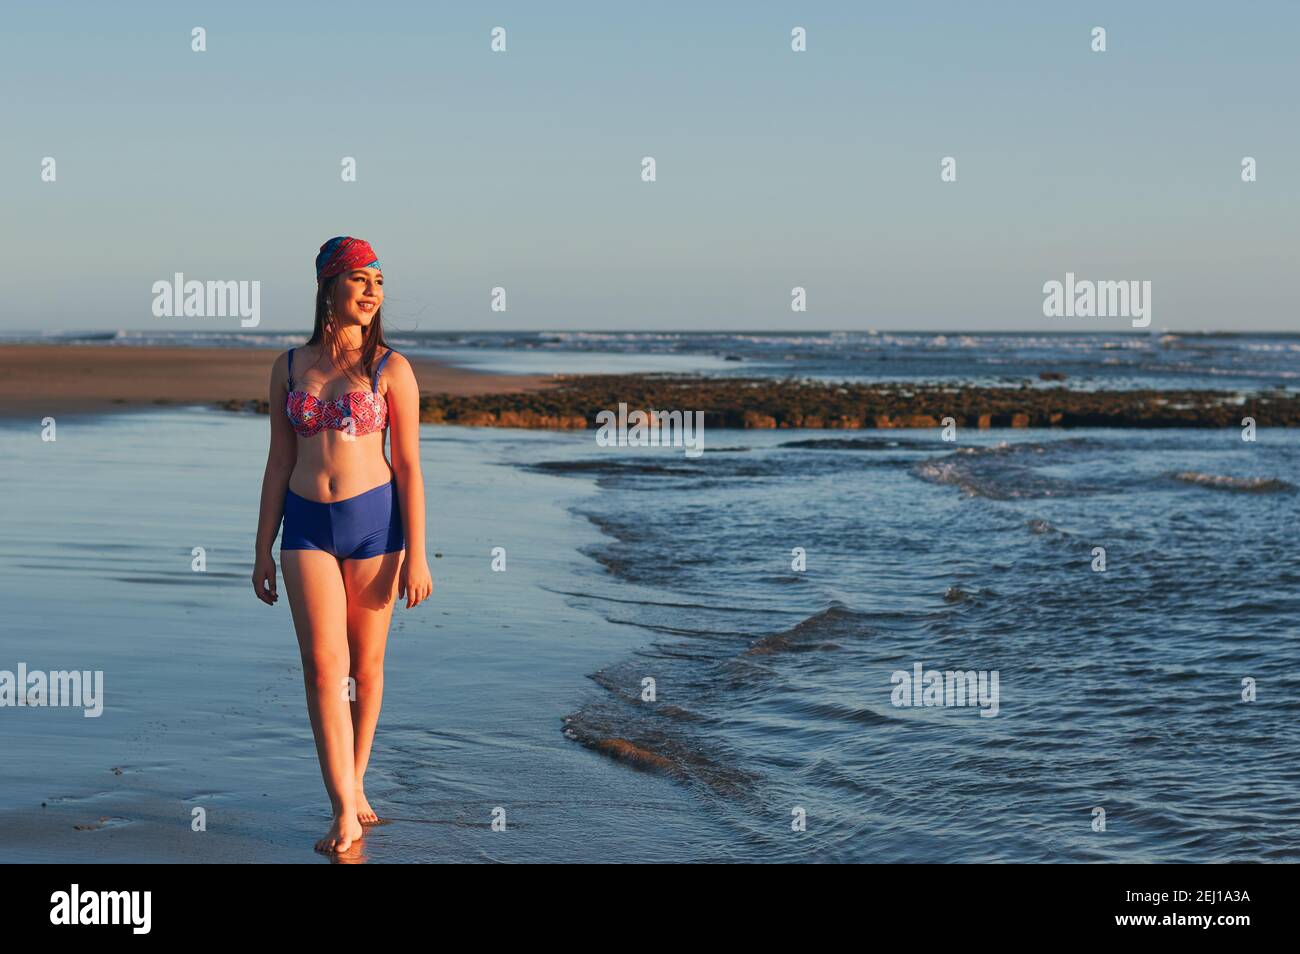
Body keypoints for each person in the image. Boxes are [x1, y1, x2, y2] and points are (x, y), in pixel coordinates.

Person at [251, 236, 433, 854]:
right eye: (360, 279)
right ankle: (341, 809)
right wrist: (260, 550)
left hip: (376, 528)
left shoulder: (392, 368)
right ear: (330, 286)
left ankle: (356, 784)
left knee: (367, 667)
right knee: (323, 670)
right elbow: (278, 463)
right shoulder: (290, 366)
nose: (372, 292)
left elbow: (409, 467)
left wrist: (418, 553)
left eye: (379, 282)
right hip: (305, 527)